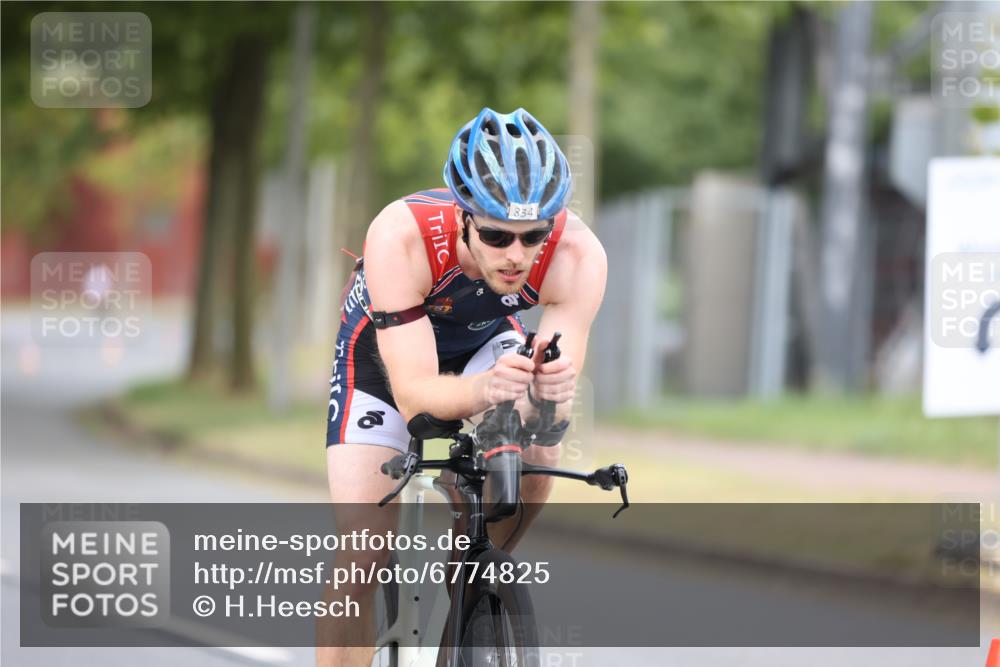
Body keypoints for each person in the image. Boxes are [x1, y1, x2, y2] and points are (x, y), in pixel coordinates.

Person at [318, 107, 607, 666]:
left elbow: (551, 393)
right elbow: (416, 394)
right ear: (462, 218)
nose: (517, 255)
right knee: (363, 551)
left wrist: (547, 398)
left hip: (483, 341)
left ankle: (474, 576)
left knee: (540, 449)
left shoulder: (578, 255)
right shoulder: (400, 235)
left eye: (533, 237)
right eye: (497, 235)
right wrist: (486, 394)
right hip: (383, 358)